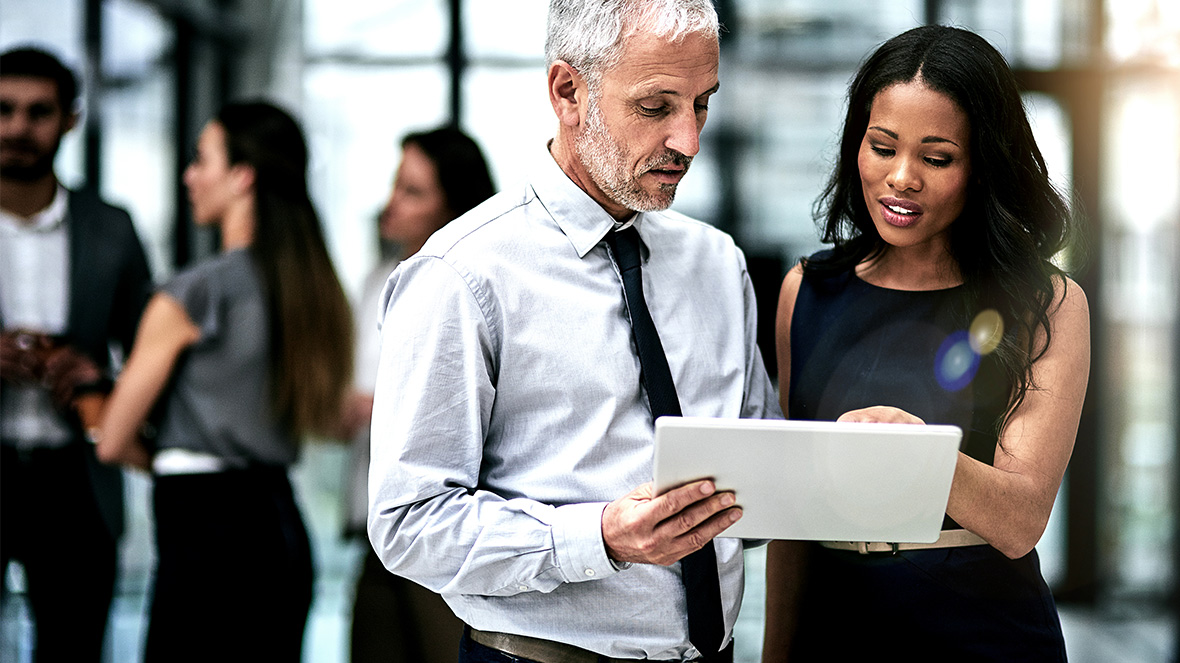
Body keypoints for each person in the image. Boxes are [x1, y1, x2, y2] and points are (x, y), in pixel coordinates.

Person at [367, 0, 781, 661]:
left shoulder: (718, 265)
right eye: (657, 107)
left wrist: (844, 458)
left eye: (702, 103)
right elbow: (408, 525)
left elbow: (757, 483)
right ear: (568, 92)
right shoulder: (462, 274)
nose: (690, 140)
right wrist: (603, 538)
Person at [761, 25, 1090, 661]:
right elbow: (790, 522)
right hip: (833, 631)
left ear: (982, 165)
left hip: (981, 634)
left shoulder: (1046, 304)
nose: (901, 178)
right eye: (882, 147)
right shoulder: (806, 289)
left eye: (937, 158)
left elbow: (1020, 522)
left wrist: (914, 455)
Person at [92, 101, 353, 662]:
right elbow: (324, 416)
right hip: (281, 527)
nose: (190, 175)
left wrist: (85, 391)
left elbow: (114, 440)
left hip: (204, 534)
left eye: (201, 159)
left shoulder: (194, 292)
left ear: (242, 176)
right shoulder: (309, 288)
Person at [0, 46, 153, 662]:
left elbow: (149, 347)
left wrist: (95, 374)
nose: (17, 127)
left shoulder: (111, 226)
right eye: (4, 109)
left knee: (74, 648)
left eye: (39, 112)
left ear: (70, 119)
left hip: (77, 477)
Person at [343, 126, 495, 663]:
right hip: (375, 524)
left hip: (448, 534)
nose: (391, 206)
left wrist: (377, 409)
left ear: (451, 206)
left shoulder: (476, 290)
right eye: (395, 186)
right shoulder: (375, 283)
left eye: (413, 191)